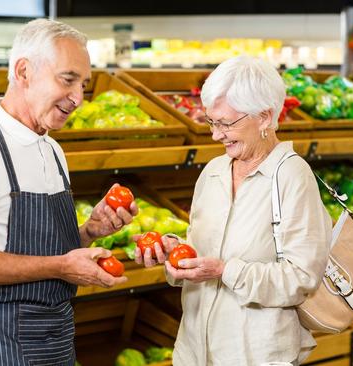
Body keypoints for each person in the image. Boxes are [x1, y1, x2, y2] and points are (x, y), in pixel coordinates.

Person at [0, 19, 136, 365]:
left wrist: (89, 231)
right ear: (24, 71)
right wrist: (62, 266)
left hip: (54, 338)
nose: (78, 99)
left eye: (84, 85)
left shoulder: (51, 149)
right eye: (68, 79)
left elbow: (42, 253)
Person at [135, 56, 332, 365]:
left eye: (226, 123)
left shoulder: (292, 176)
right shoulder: (213, 172)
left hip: (254, 356)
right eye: (212, 122)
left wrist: (225, 270)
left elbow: (301, 278)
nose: (216, 134)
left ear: (265, 117)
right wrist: (175, 252)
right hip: (193, 352)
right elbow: (202, 249)